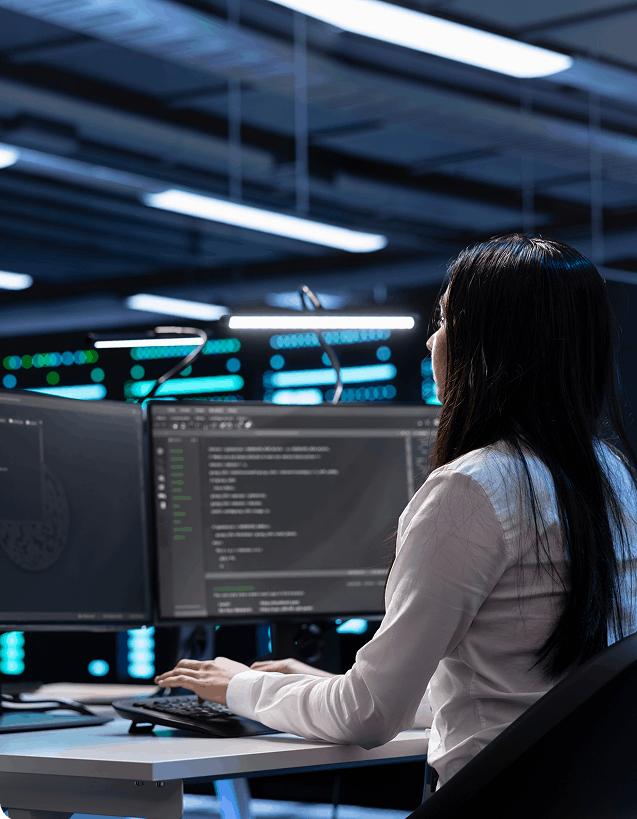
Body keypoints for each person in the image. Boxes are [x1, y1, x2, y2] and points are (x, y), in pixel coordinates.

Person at [155, 234, 637, 787]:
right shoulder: (615, 478)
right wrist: (321, 686)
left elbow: (368, 717)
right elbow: (515, 694)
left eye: (445, 320)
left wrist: (239, 687)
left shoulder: (471, 488)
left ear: (491, 343)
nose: (431, 340)